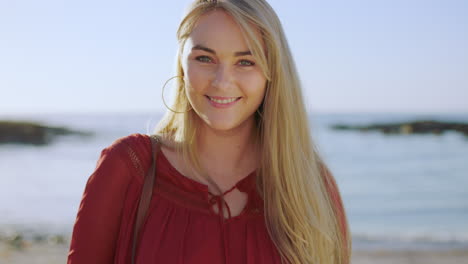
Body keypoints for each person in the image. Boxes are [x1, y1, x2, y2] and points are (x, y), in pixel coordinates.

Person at [67, 0, 351, 263]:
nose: (222, 82)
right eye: (205, 58)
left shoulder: (312, 188)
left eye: (245, 62)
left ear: (272, 71)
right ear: (182, 63)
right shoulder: (128, 169)